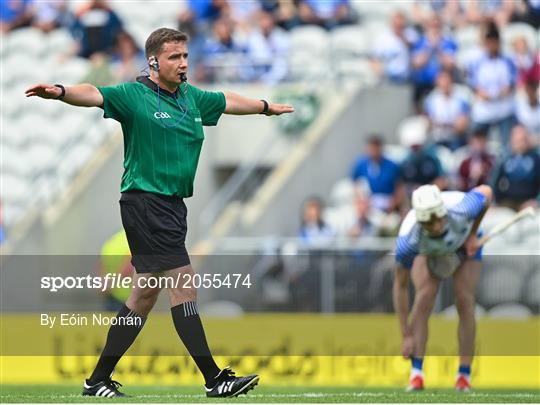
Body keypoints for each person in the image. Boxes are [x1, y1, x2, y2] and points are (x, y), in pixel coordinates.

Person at [25, 27, 294, 398]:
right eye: (174, 57)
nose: (183, 63)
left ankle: (97, 379)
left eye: (185, 56)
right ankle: (215, 379)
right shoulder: (133, 95)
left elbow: (226, 99)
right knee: (183, 285)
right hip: (145, 201)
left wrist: (265, 107)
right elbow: (93, 94)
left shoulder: (190, 97)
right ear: (153, 61)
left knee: (143, 296)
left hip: (171, 206)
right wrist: (59, 91)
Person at [393, 184, 493, 392]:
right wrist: (406, 335)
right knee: (424, 297)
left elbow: (487, 192)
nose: (437, 225)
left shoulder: (462, 209)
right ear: (420, 220)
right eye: (430, 221)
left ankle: (463, 375)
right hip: (431, 252)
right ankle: (416, 374)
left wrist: (473, 234)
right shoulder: (409, 242)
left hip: (465, 240)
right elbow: (400, 286)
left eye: (439, 217)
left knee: (464, 299)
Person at [350, 135, 403, 213]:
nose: (374, 151)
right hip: (369, 206)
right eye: (371, 148)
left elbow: (399, 187)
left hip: (389, 205)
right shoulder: (361, 165)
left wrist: (394, 203)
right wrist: (361, 202)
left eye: (376, 148)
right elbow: (355, 185)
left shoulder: (391, 166)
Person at [493, 125, 540, 210]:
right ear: (511, 140)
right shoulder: (505, 158)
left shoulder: (535, 158)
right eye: (517, 140)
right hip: (507, 202)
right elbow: (495, 182)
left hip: (529, 201)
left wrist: (537, 201)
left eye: (522, 139)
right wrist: (494, 202)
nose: (520, 143)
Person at [424, 69, 470, 151]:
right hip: (437, 138)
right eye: (441, 79)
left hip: (456, 138)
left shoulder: (462, 96)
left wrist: (441, 124)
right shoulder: (431, 99)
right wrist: (449, 124)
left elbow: (461, 126)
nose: (444, 83)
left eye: (446, 79)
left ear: (451, 80)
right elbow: (429, 124)